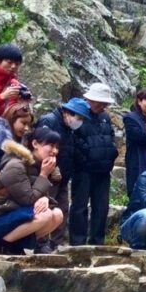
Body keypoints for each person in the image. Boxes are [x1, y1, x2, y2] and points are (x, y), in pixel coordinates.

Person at [0, 125, 64, 254]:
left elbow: (38, 198)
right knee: (46, 214)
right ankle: (0, 246)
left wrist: (45, 197)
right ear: (35, 144)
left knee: (57, 214)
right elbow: (28, 199)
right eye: (51, 145)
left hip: (12, 213)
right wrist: (43, 175)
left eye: (57, 147)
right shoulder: (15, 165)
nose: (55, 151)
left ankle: (14, 245)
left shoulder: (38, 165)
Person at [35, 97, 89, 252]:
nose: (79, 122)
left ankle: (56, 244)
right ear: (67, 113)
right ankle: (41, 243)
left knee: (62, 209)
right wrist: (53, 167)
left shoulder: (69, 127)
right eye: (78, 118)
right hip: (48, 175)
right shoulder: (49, 121)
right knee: (45, 207)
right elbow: (41, 147)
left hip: (64, 177)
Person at [69, 83, 118, 246]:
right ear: (89, 99)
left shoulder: (104, 117)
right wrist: (84, 156)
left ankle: (98, 241)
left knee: (101, 207)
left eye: (104, 103)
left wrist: (111, 154)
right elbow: (73, 139)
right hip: (83, 169)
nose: (102, 106)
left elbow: (110, 136)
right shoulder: (79, 113)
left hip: (103, 169)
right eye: (99, 102)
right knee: (80, 206)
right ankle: (77, 241)